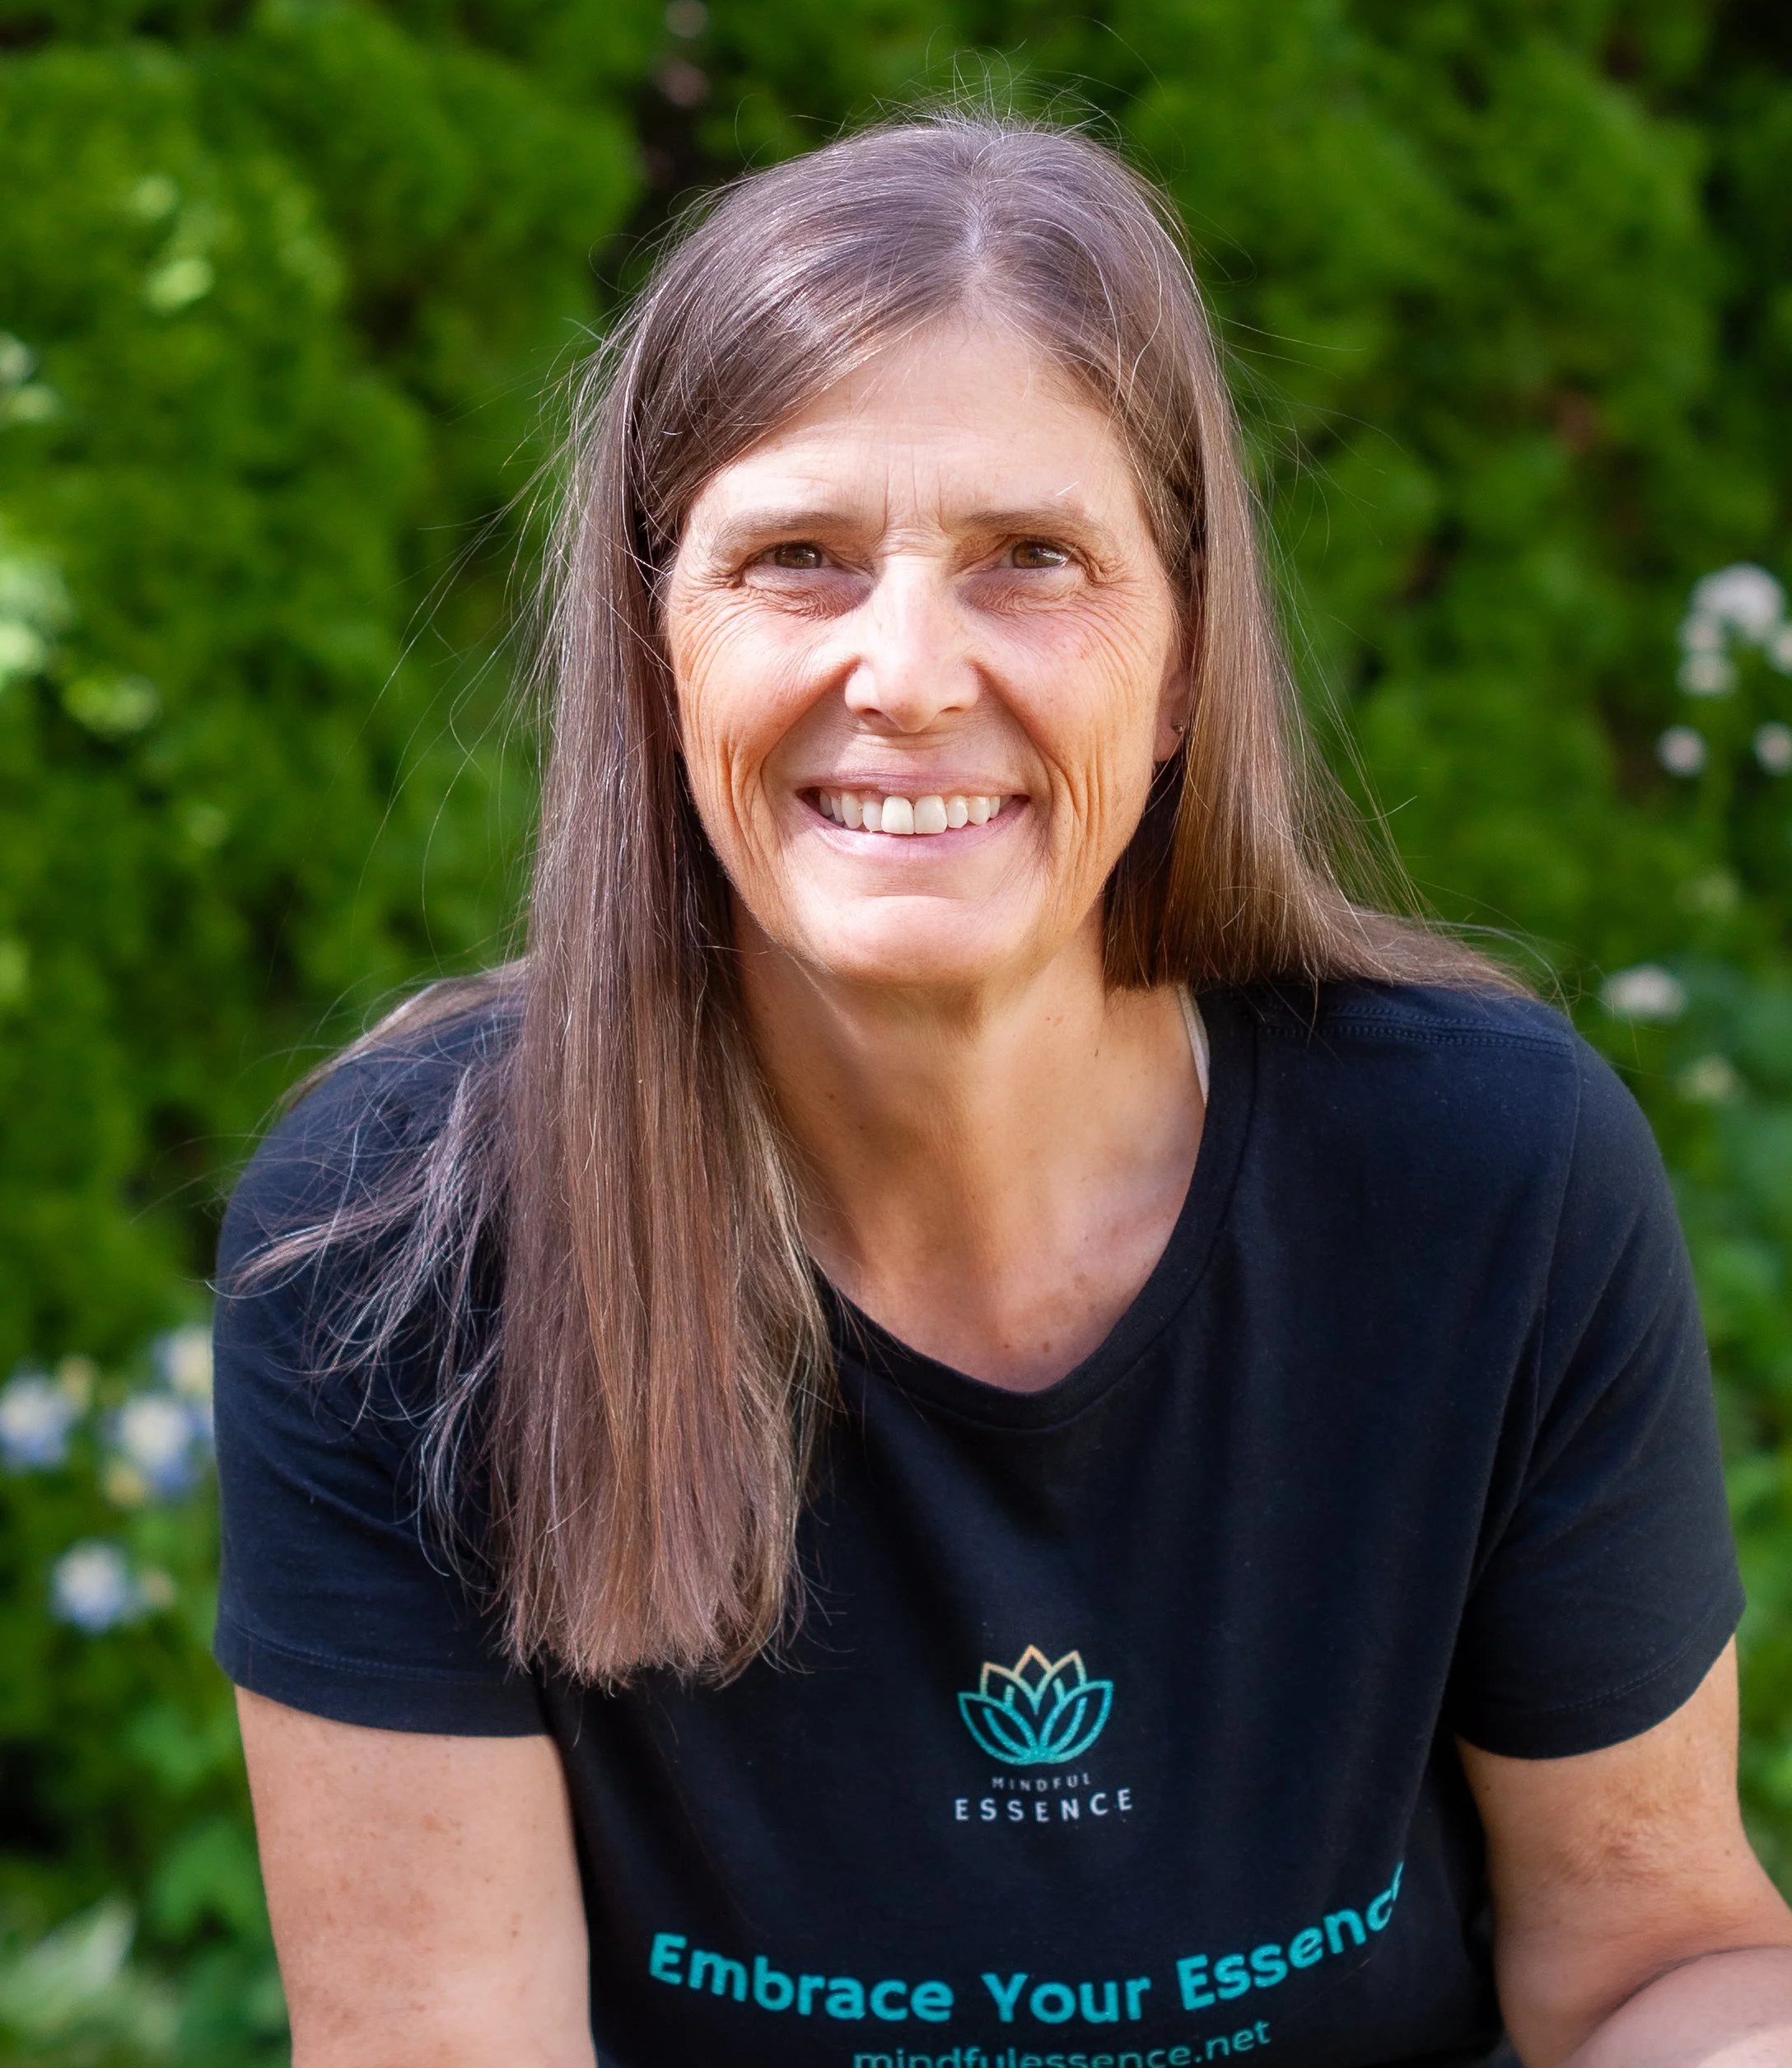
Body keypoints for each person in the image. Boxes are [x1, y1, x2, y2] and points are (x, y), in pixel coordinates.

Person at [214, 113, 1792, 2068]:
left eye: (1028, 559)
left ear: (1184, 656)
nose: (905, 673)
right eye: (795, 559)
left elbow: (1651, 1963)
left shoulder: (1485, 1179)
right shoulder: (394, 1252)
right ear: (650, 647)